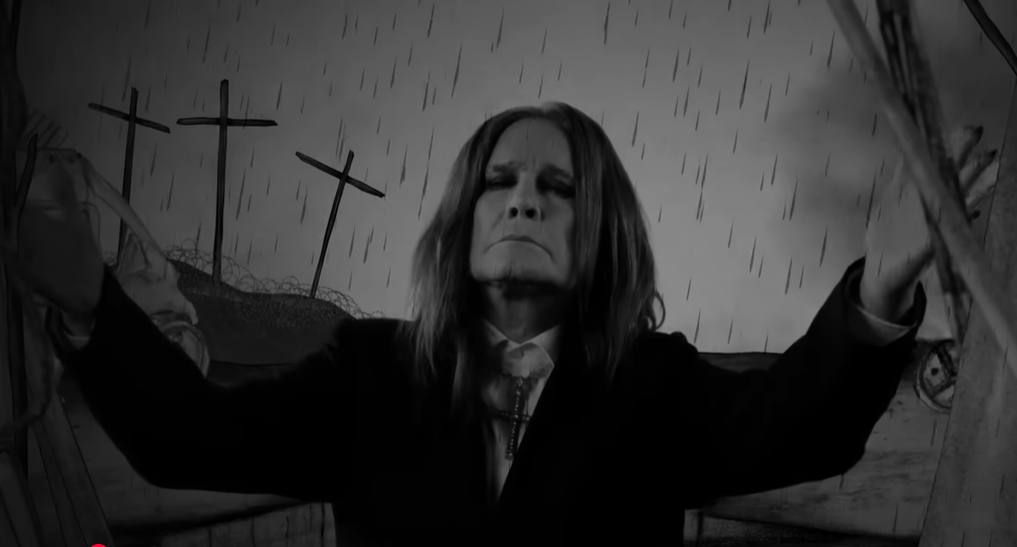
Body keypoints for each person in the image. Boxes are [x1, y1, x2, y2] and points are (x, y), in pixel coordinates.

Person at [23, 102, 997, 545]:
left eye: (557, 186)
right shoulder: (370, 372)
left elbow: (801, 426)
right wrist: (84, 301)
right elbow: (189, 439)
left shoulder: (651, 384)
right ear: (463, 226)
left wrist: (881, 288)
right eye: (499, 180)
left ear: (600, 237)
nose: (524, 198)